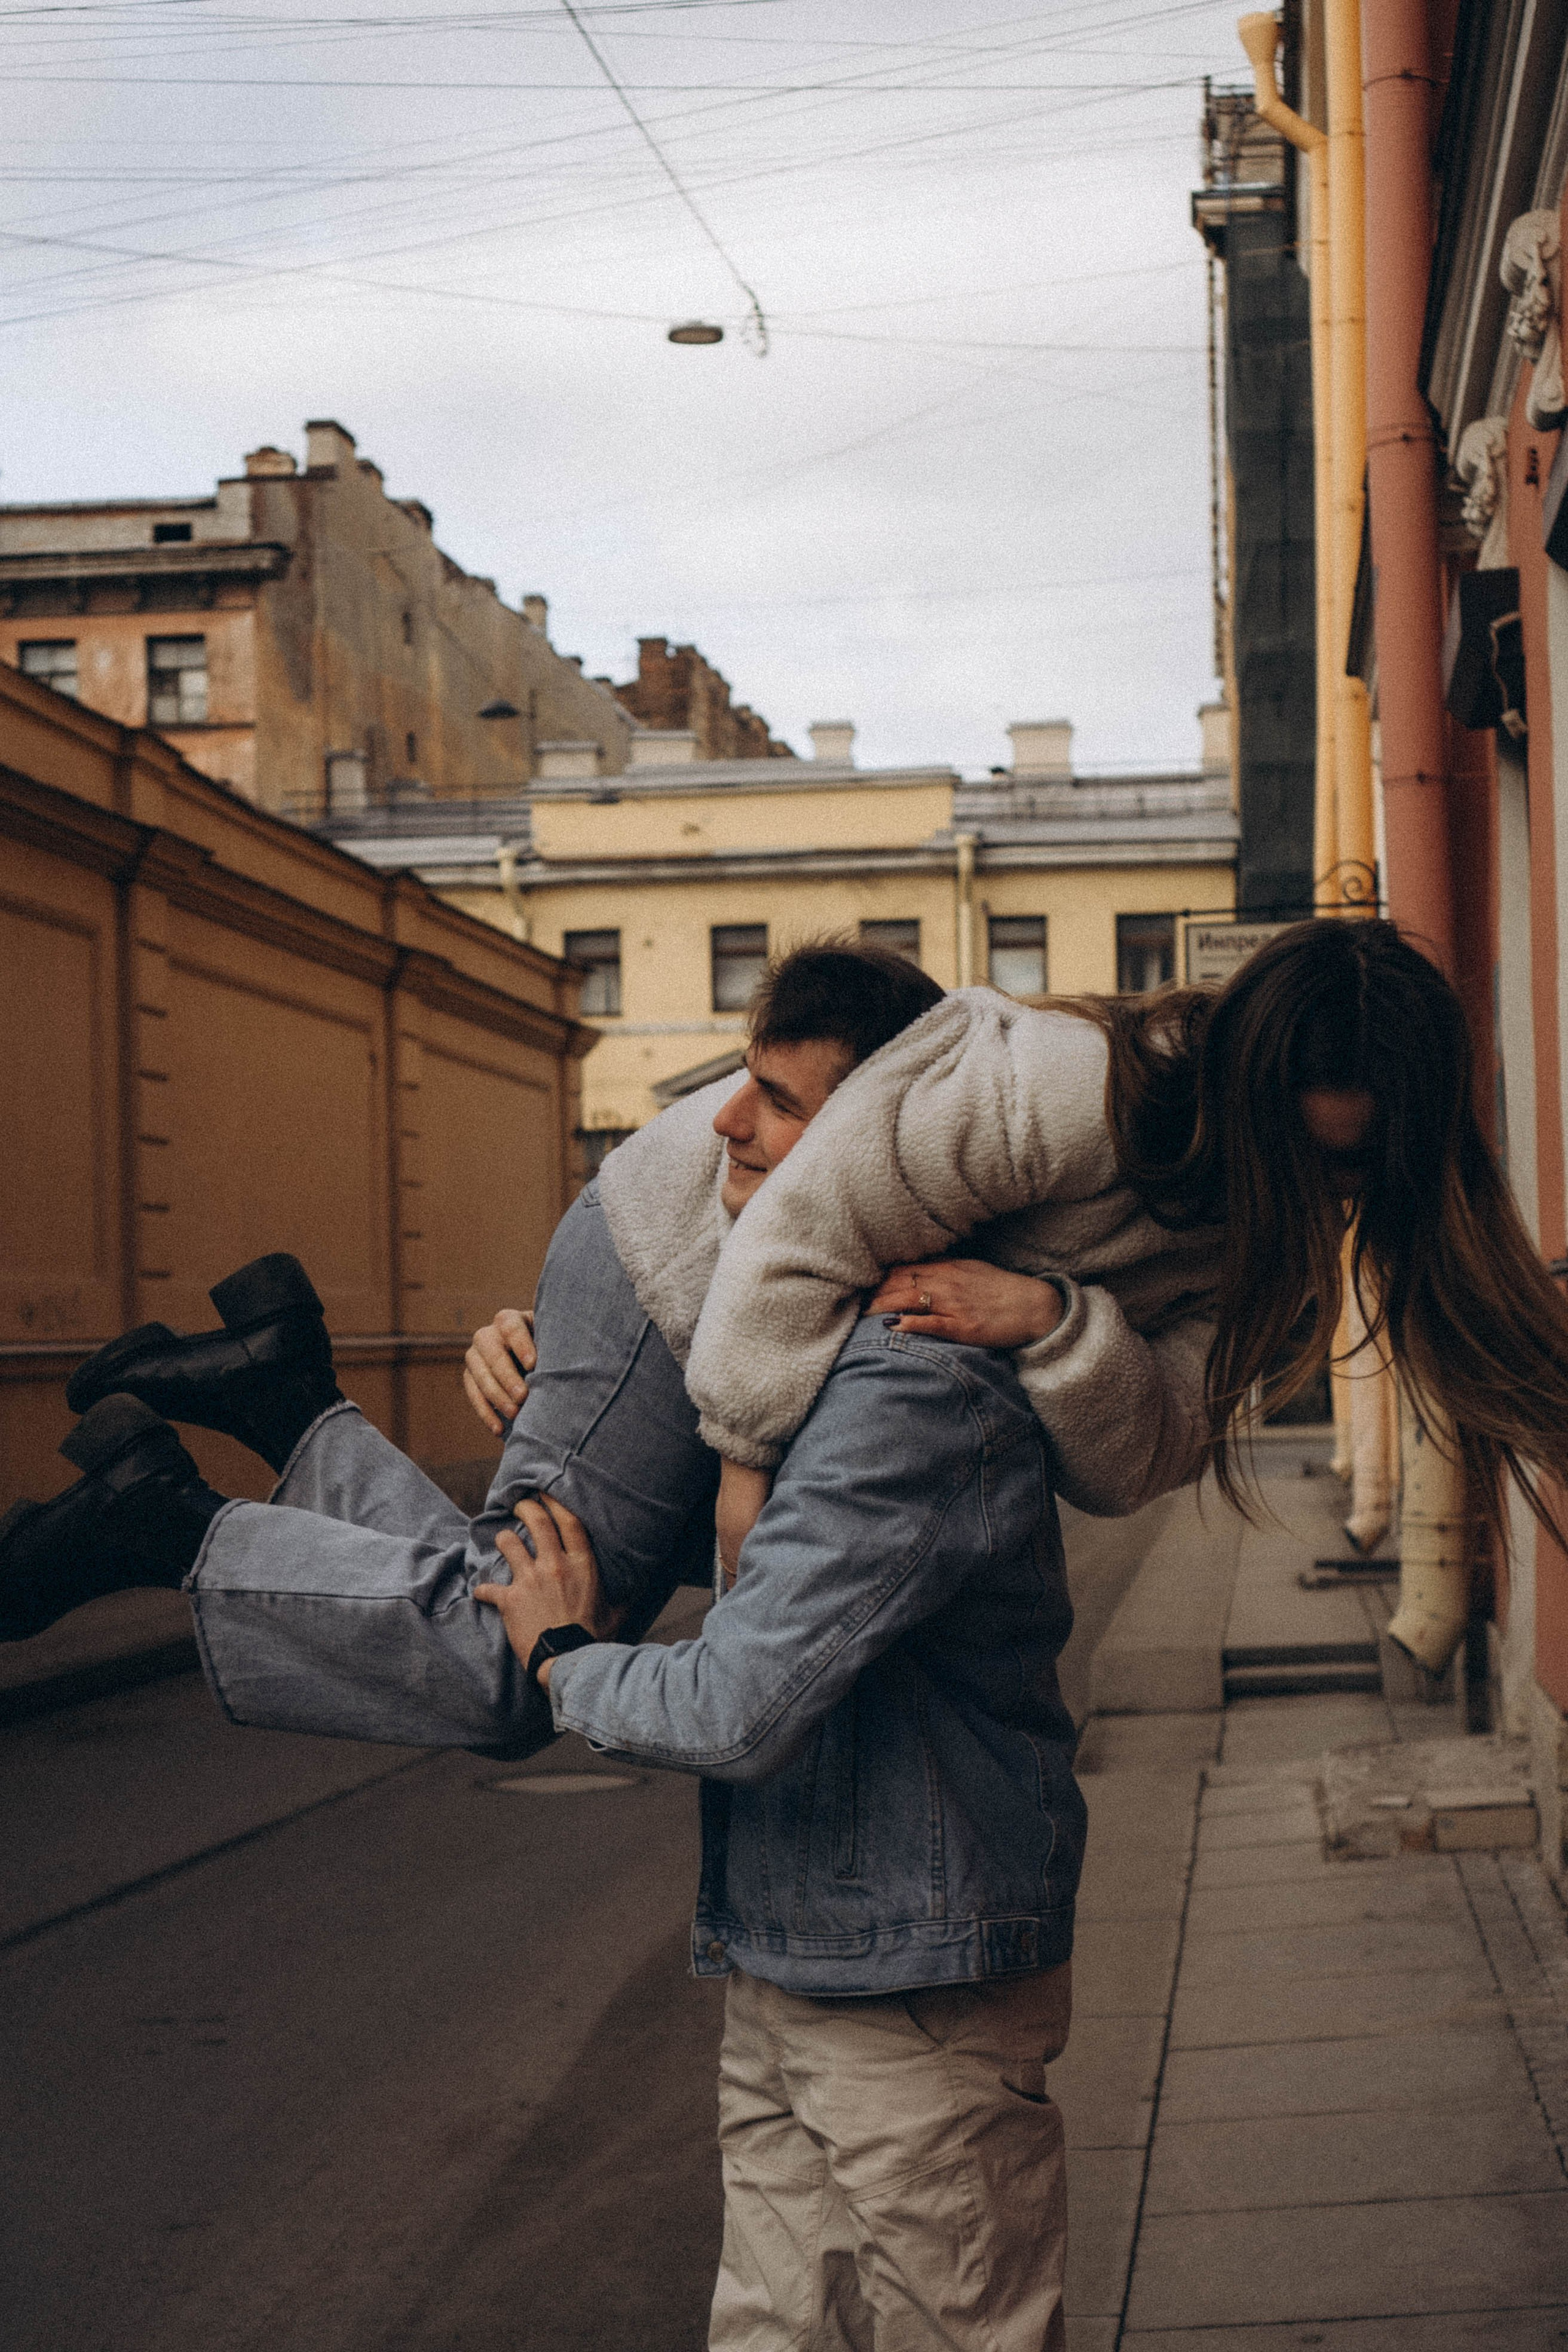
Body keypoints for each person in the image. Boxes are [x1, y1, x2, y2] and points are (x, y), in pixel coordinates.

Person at [1, 944, 1199, 1744]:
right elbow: (801, 1230)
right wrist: (731, 1474)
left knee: (526, 1630)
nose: (728, 1115)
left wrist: (1055, 1324)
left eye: (772, 1100)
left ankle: (284, 1395)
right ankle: (158, 1519)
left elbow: (1132, 1452)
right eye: (746, 1087)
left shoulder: (1195, 1211)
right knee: (502, 1658)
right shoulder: (1049, 1096)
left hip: (702, 1313)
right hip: (666, 1274)